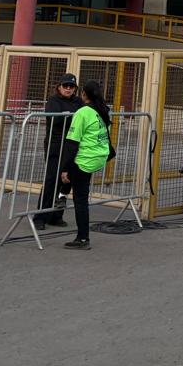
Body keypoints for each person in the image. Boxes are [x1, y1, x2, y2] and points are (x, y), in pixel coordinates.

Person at [59, 80, 112, 250]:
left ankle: (83, 238)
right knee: (76, 186)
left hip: (85, 158)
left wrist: (65, 168)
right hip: (98, 156)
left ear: (83, 95)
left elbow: (72, 143)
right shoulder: (101, 111)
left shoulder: (82, 112)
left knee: (80, 198)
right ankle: (62, 195)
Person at [33, 75, 82, 228]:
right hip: (55, 145)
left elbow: (83, 118)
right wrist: (73, 117)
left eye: (71, 86)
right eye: (65, 85)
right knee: (52, 179)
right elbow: (56, 119)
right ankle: (40, 217)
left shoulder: (78, 102)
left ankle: (56, 214)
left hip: (72, 145)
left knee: (66, 182)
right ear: (59, 86)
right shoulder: (53, 101)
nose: (68, 89)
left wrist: (70, 116)